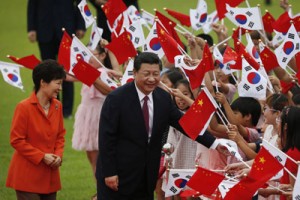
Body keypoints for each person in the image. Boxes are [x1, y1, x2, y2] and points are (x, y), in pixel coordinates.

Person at [96, 52, 221, 199]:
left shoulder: (163, 98)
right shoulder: (116, 99)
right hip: (118, 173)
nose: (151, 79)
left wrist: (215, 144)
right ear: (135, 73)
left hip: (147, 174)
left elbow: (185, 124)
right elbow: (106, 138)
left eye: (156, 74)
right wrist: (110, 172)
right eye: (146, 74)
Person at [6, 60, 66, 200]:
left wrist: (58, 155)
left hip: (50, 175)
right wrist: (42, 156)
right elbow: (16, 140)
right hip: (27, 177)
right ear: (43, 83)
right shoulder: (24, 107)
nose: (60, 88)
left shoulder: (57, 106)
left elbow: (60, 135)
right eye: (57, 83)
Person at [71, 43, 120, 200]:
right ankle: (99, 189)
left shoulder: (103, 72)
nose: (88, 57)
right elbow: (68, 75)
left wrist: (111, 51)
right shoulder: (87, 70)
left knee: (100, 158)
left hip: (98, 117)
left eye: (91, 54)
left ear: (101, 55)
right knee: (91, 156)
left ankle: (102, 192)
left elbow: (111, 87)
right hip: (87, 117)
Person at [27, 0, 86, 118]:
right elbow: (32, 4)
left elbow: (80, 3)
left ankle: (67, 111)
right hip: (44, 30)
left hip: (67, 30)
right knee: (48, 72)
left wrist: (81, 25)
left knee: (67, 71)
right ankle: (51, 106)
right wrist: (31, 28)